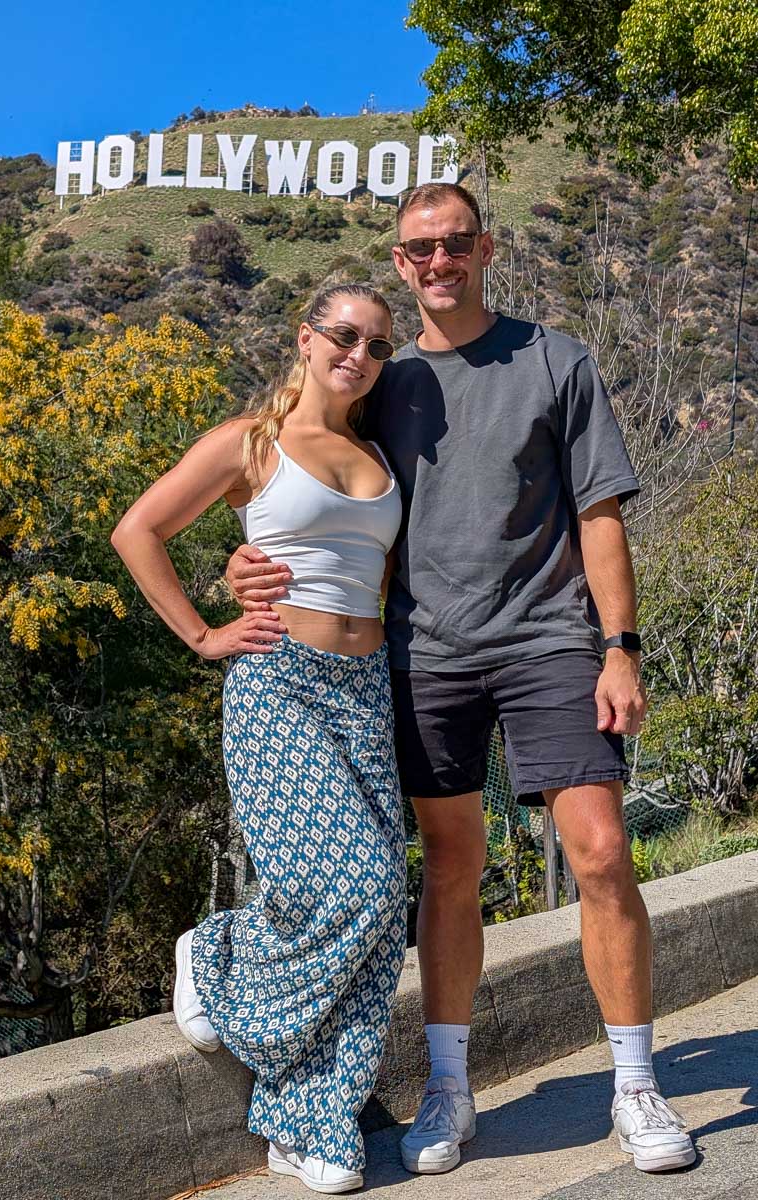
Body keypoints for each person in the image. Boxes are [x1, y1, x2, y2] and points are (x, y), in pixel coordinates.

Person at [226, 182, 696, 1176]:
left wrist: (621, 646)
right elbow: (305, 485)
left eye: (454, 243)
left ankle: (635, 1085)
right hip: (425, 655)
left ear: (485, 249)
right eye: (419, 248)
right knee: (450, 866)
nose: (438, 261)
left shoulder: (556, 360)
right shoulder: (383, 381)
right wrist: (246, 563)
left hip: (550, 642)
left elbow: (600, 514)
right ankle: (449, 1087)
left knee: (602, 852)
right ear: (400, 262)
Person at [111, 282, 408, 1195]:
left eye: (378, 346)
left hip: (364, 688)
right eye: (344, 335)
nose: (359, 355)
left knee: (384, 910)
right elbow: (138, 530)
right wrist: (204, 634)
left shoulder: (380, 453)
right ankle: (217, 955)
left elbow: (379, 572)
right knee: (353, 879)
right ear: (305, 338)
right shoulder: (251, 442)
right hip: (279, 680)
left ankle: (311, 1120)